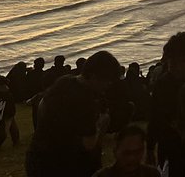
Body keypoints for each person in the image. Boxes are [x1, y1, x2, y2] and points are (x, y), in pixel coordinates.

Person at [25, 49, 120, 177]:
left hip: (38, 158)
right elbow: (89, 144)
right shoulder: (87, 101)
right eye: (107, 81)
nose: (108, 86)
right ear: (93, 76)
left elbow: (42, 105)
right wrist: (102, 122)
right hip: (64, 166)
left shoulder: (63, 81)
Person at [146, 31, 185, 177]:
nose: (178, 67)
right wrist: (150, 147)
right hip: (170, 144)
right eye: (173, 63)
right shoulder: (163, 84)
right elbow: (155, 117)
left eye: (182, 62)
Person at [95, 124, 161, 176]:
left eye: (137, 152)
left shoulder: (152, 174)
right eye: (126, 153)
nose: (132, 158)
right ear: (115, 152)